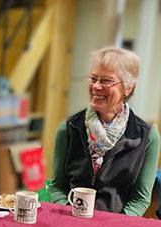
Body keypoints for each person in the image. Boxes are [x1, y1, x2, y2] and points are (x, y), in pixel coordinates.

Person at [49, 47, 159, 216]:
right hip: (70, 219)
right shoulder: (69, 128)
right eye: (93, 78)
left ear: (128, 87)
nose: (96, 86)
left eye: (106, 80)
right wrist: (70, 214)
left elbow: (140, 198)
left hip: (117, 226)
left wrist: (115, 225)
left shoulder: (147, 136)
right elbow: (57, 185)